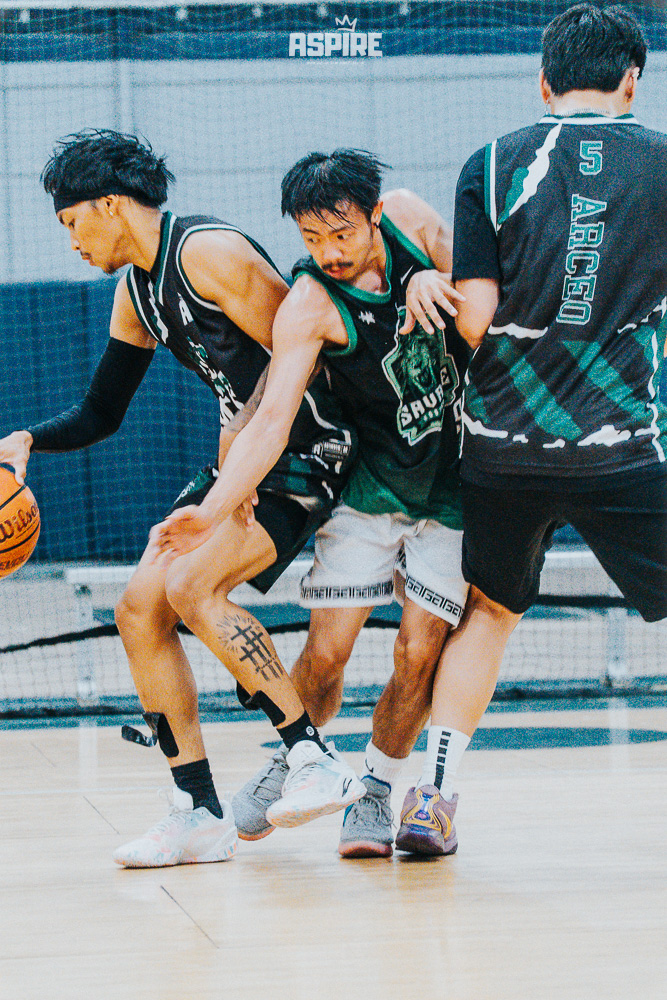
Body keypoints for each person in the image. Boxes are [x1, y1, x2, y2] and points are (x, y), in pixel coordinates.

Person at [0, 129, 365, 868]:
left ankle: (313, 757)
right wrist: (27, 440)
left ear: (110, 204)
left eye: (72, 222)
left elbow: (308, 360)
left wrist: (240, 462)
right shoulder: (136, 290)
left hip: (311, 448)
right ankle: (196, 810)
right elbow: (101, 412)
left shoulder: (209, 252)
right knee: (139, 608)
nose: (71, 242)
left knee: (192, 583)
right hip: (243, 454)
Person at [152, 148, 471, 857]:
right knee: (327, 650)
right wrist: (215, 505)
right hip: (371, 487)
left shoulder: (414, 220)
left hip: (454, 488)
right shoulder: (309, 304)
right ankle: (296, 758)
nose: (328, 251)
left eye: (342, 233)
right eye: (311, 237)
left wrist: (433, 277)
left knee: (419, 651)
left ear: (376, 215)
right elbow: (271, 417)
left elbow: (486, 298)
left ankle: (377, 791)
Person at [410, 0, 667, 845]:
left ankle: (431, 798)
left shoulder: (490, 163)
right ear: (632, 79)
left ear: (544, 81)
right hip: (618, 445)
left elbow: (475, 318)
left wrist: (421, 281)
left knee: (489, 612)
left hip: (500, 448)